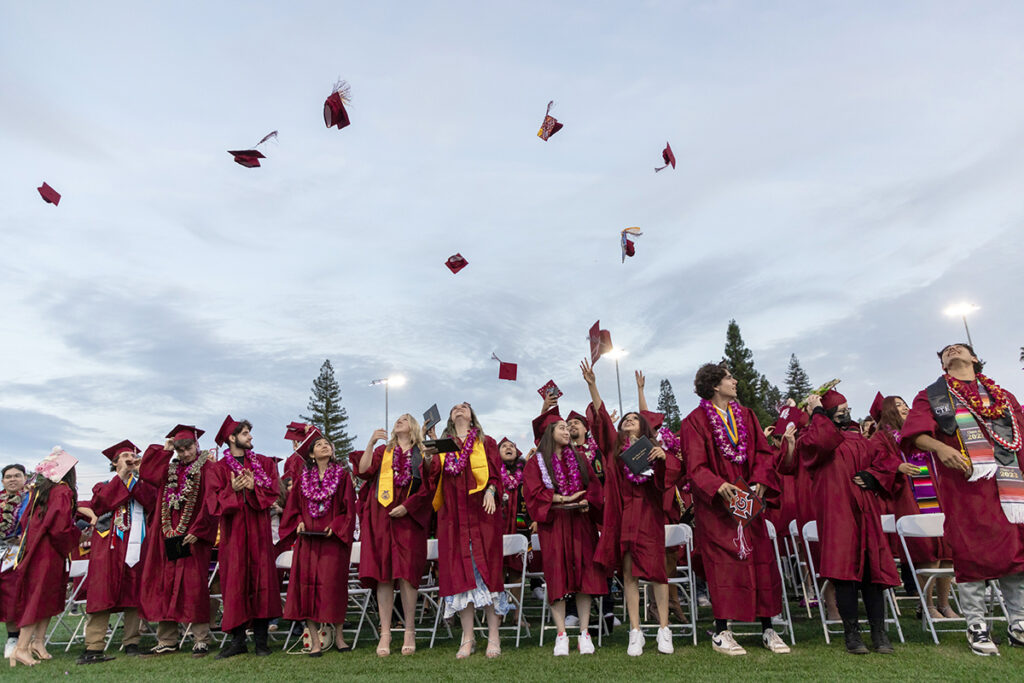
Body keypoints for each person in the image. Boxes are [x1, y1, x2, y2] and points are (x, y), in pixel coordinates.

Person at [900, 343, 1024, 656]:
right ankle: (977, 626)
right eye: (946, 351)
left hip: (1009, 487)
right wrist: (941, 448)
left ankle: (1019, 624)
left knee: (1017, 554)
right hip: (967, 488)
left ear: (974, 358)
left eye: (960, 348)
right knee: (971, 555)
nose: (952, 350)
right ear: (943, 363)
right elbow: (914, 433)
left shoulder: (1003, 397)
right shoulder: (933, 395)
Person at [681, 363, 789, 655]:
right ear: (715, 385)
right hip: (718, 508)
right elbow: (695, 464)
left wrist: (761, 482)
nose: (735, 380)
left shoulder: (747, 416)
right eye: (729, 377)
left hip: (748, 500)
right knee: (723, 568)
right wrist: (717, 485)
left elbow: (764, 455)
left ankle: (768, 628)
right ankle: (721, 631)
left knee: (760, 560)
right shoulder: (694, 421)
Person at [583, 360, 681, 656]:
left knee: (657, 574)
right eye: (624, 418)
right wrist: (592, 384)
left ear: (643, 425)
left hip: (649, 515)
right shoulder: (615, 450)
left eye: (633, 419)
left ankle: (664, 629)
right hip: (625, 515)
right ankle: (635, 632)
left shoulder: (653, 448)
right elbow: (601, 418)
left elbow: (669, 477)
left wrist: (663, 458)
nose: (627, 420)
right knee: (629, 575)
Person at [797, 389, 900, 654]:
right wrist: (816, 412)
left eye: (847, 409)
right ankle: (852, 634)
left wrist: (874, 476)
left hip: (866, 513)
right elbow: (821, 442)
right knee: (844, 574)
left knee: (872, 574)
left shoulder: (860, 440)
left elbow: (887, 462)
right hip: (838, 513)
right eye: (839, 409)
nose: (846, 414)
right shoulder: (812, 439)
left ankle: (879, 633)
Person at [430, 402, 509, 659]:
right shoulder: (444, 445)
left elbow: (496, 476)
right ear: (451, 418)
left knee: (489, 574)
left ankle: (493, 637)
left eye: (464, 406)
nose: (458, 409)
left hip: (482, 517)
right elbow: (433, 477)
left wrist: (490, 491)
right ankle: (468, 637)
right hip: (453, 519)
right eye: (454, 407)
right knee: (460, 577)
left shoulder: (487, 443)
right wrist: (430, 444)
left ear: (472, 415)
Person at [358, 414, 440, 657]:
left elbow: (430, 484)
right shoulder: (384, 451)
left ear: (413, 427)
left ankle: (409, 630)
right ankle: (385, 632)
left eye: (406, 418)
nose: (400, 420)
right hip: (381, 517)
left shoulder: (421, 451)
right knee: (383, 575)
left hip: (409, 519)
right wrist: (371, 442)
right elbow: (363, 471)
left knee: (407, 575)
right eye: (399, 418)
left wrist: (409, 506)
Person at [523, 416, 605, 656]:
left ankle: (584, 632)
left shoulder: (580, 458)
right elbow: (532, 492)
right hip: (555, 524)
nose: (567, 431)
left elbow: (594, 489)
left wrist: (587, 502)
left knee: (585, 576)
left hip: (579, 522)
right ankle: (561, 634)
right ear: (549, 432)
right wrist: (562, 499)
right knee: (557, 577)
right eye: (562, 427)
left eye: (568, 428)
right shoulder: (535, 463)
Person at [870, 395, 956, 620]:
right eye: (898, 405)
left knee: (947, 551)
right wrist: (897, 465)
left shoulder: (920, 436)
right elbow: (875, 460)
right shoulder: (881, 437)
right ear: (888, 411)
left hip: (935, 494)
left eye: (905, 403)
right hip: (910, 497)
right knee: (927, 551)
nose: (905, 407)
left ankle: (944, 604)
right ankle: (926, 605)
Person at [138, 425, 219, 657]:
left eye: (188, 448)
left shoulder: (208, 468)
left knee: (193, 587)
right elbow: (147, 473)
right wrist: (164, 450)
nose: (184, 453)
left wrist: (200, 529)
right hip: (167, 535)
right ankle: (167, 640)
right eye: (179, 449)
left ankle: (201, 639)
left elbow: (211, 501)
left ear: (197, 445)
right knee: (165, 585)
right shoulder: (169, 469)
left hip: (193, 537)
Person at [209, 416, 283, 658]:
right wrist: (234, 489)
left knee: (262, 581)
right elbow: (213, 503)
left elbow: (273, 492)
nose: (250, 436)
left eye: (250, 432)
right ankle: (238, 641)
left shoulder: (262, 463)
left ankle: (262, 642)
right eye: (245, 433)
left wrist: (253, 488)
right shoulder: (219, 469)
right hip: (234, 535)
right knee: (235, 584)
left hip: (259, 533)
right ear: (232, 438)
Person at [77, 441, 157, 664]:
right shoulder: (101, 485)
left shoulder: (144, 484)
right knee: (101, 592)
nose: (131, 458)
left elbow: (151, 502)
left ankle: (131, 642)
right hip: (108, 547)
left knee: (134, 592)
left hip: (136, 546)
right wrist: (121, 476)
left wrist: (137, 477)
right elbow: (101, 504)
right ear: (113, 462)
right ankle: (94, 647)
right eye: (124, 456)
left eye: (133, 455)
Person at [281, 430, 357, 656]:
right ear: (312, 454)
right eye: (319, 445)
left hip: (332, 541)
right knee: (307, 590)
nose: (325, 446)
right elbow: (292, 509)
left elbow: (348, 509)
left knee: (334, 588)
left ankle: (340, 638)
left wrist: (336, 525)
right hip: (308, 543)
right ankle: (315, 642)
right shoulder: (302, 479)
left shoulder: (342, 476)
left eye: (328, 444)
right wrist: (298, 521)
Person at [8, 447, 81, 667]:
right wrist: (76, 535)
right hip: (49, 552)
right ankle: (21, 648)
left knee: (46, 597)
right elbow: (60, 527)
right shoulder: (62, 491)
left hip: (35, 550)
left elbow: (24, 523)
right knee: (38, 598)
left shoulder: (38, 492)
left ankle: (37, 643)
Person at [1, 464, 29, 660]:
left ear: (25, 478)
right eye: (8, 476)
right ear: (2, 481)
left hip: (25, 552)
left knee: (20, 595)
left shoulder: (33, 499)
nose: (12, 479)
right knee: (5, 596)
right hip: (2, 553)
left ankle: (23, 638)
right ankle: (12, 637)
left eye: (17, 476)